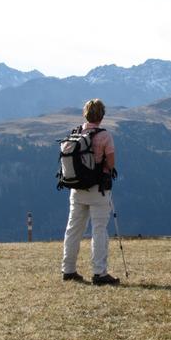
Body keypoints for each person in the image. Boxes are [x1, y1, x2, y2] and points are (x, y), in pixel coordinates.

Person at [61, 98, 120, 285]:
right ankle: (99, 273)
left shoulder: (76, 133)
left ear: (85, 114)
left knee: (73, 229)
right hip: (98, 190)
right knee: (99, 230)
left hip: (77, 188)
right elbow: (111, 163)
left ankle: (68, 270)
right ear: (101, 116)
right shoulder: (104, 136)